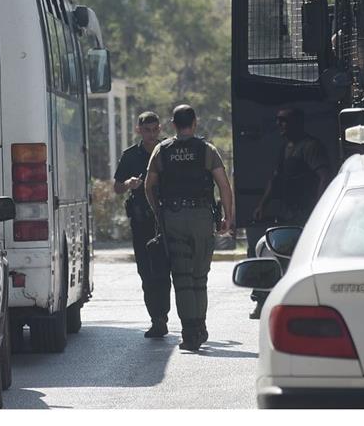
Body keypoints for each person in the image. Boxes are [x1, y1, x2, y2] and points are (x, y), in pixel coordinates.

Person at [144, 105, 234, 352]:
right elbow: (224, 186)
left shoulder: (162, 150)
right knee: (199, 278)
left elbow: (149, 186)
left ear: (173, 124)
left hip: (172, 218)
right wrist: (228, 217)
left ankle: (190, 331)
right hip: (202, 218)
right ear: (194, 123)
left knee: (182, 279)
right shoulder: (207, 150)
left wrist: (159, 214)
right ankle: (200, 326)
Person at [249, 107, 331, 319]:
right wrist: (262, 205)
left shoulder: (310, 147)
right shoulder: (286, 148)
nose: (280, 125)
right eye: (278, 121)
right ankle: (263, 300)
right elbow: (275, 179)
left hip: (306, 214)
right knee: (268, 252)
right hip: (287, 212)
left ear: (297, 123)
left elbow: (323, 175)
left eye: (284, 121)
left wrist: (319, 208)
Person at [113, 111, 171, 338]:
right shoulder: (130, 155)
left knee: (164, 272)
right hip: (141, 222)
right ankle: (156, 319)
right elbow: (117, 187)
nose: (151, 133)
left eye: (155, 129)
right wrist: (129, 183)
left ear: (160, 128)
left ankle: (163, 315)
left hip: (165, 218)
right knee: (146, 272)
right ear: (139, 130)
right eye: (147, 130)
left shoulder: (167, 151)